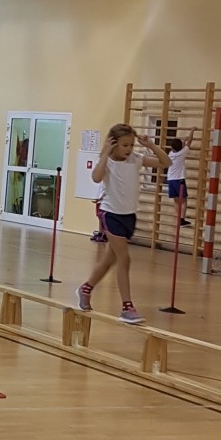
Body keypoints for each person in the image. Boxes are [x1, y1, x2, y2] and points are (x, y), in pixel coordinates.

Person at [76, 123, 168, 324]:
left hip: (129, 216)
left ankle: (86, 288)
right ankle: (127, 307)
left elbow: (166, 162)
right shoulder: (107, 162)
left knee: (110, 260)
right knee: (124, 259)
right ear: (114, 144)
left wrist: (151, 145)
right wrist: (105, 154)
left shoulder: (136, 159)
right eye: (125, 145)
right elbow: (96, 177)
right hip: (111, 214)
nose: (129, 149)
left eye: (131, 145)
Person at [165, 128, 197, 226]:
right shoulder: (182, 153)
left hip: (170, 179)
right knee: (184, 200)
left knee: (176, 200)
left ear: (172, 147)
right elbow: (189, 142)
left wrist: (183, 140)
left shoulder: (170, 154)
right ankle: (182, 219)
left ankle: (179, 218)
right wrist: (192, 130)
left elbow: (181, 146)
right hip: (179, 180)